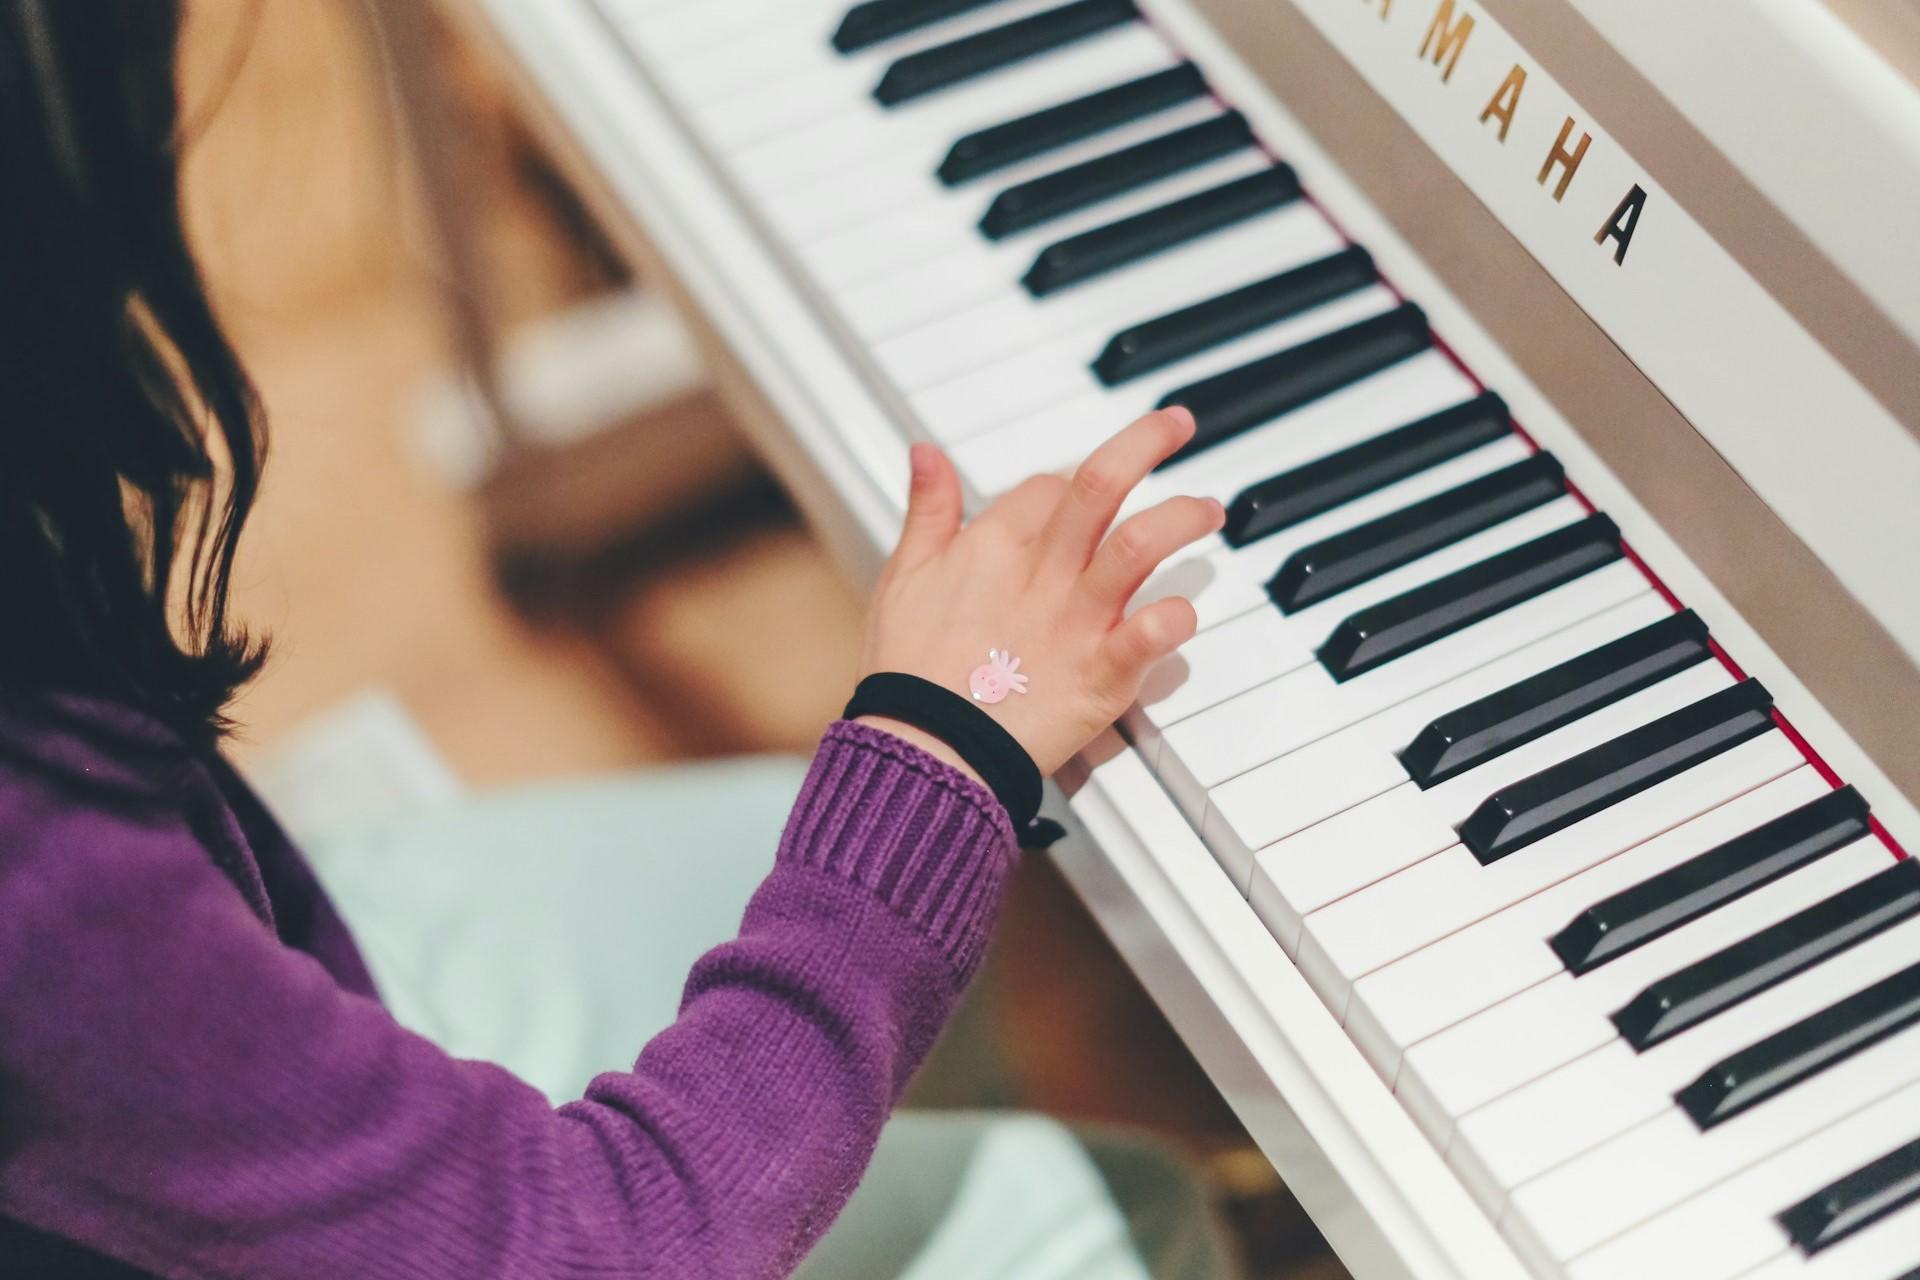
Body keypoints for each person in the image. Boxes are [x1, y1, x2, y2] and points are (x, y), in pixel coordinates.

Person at [0, 3, 1236, 1277]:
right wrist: (949, 734)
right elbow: (610, 1243)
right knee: (1124, 1208)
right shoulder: (32, 858)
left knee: (853, 882)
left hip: (249, 966)